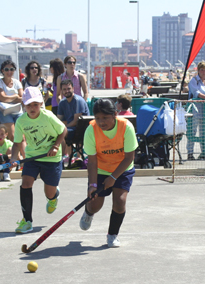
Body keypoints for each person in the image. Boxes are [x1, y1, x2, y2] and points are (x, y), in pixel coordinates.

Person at [79, 99, 138, 248]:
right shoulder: (91, 130)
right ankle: (88, 212)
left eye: (105, 118)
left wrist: (113, 177)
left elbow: (129, 157)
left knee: (120, 202)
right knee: (95, 205)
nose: (101, 122)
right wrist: (92, 185)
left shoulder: (126, 127)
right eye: (97, 118)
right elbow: (92, 161)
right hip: (100, 169)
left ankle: (112, 235)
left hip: (122, 168)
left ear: (115, 115)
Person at [10, 87, 67, 234]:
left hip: (52, 158)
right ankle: (27, 221)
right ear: (24, 106)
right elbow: (17, 143)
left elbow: (63, 130)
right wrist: (14, 158)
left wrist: (55, 146)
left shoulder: (48, 116)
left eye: (35, 104)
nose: (32, 108)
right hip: (32, 157)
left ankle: (54, 196)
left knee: (49, 193)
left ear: (41, 103)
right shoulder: (21, 121)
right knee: (25, 184)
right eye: (29, 105)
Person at [187, 60, 205, 160]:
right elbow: (196, 93)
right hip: (194, 110)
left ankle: (204, 151)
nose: (204, 72)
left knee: (204, 132)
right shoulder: (193, 80)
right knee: (192, 132)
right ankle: (190, 153)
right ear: (198, 70)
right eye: (202, 70)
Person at [57, 79, 89, 164]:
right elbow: (59, 120)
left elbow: (76, 121)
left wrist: (64, 128)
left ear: (73, 88)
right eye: (64, 89)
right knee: (58, 131)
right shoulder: (62, 103)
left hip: (82, 128)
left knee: (64, 132)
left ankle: (77, 157)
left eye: (68, 88)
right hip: (70, 127)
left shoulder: (78, 100)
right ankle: (67, 156)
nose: (66, 91)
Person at [0, 60, 23, 142]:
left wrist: (8, 99)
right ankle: (15, 154)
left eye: (12, 69)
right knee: (12, 136)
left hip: (18, 111)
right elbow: (2, 98)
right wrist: (15, 96)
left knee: (22, 137)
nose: (9, 71)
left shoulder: (17, 82)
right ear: (2, 70)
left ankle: (24, 154)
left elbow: (22, 98)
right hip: (4, 112)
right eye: (7, 69)